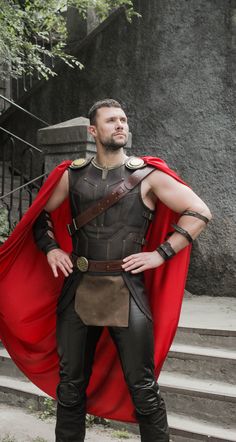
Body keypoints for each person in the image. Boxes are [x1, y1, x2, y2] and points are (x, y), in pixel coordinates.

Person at [31, 98, 212, 442]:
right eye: (111, 120)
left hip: (127, 291)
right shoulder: (72, 175)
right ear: (93, 130)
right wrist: (51, 248)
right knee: (70, 390)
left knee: (143, 390)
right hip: (79, 289)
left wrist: (160, 254)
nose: (120, 125)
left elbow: (199, 211)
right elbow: (38, 214)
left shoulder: (148, 175)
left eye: (123, 120)